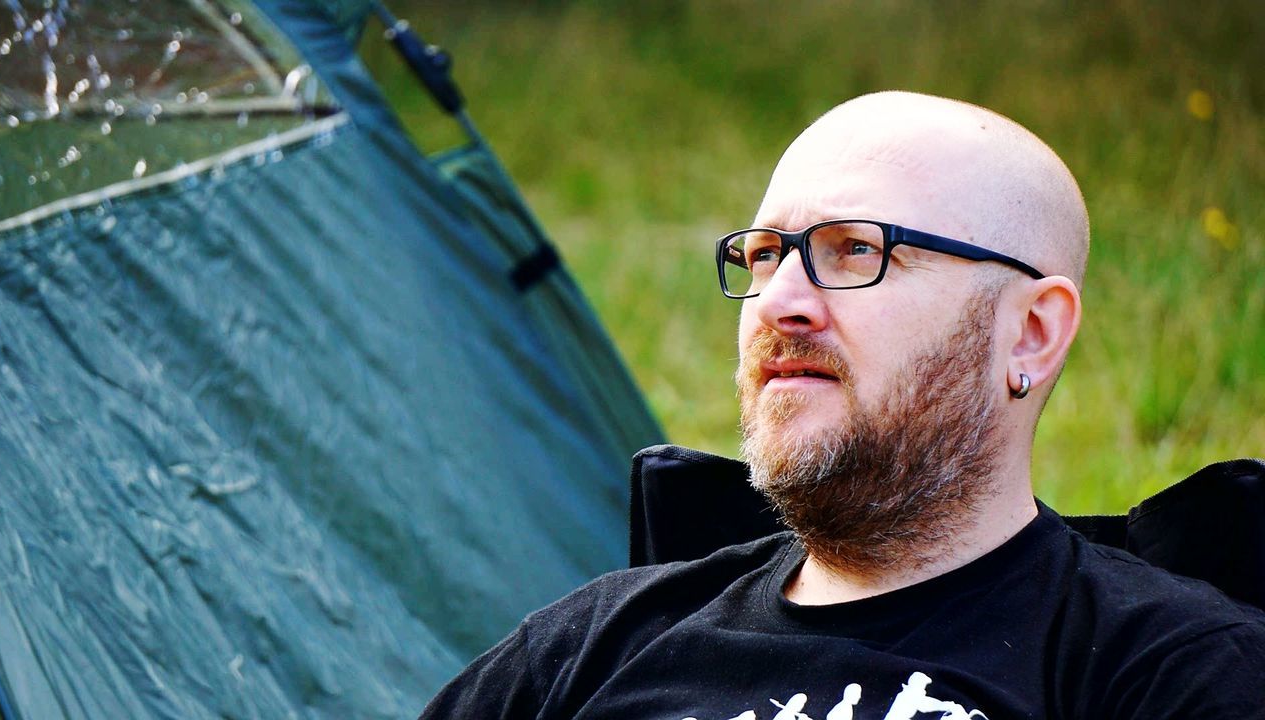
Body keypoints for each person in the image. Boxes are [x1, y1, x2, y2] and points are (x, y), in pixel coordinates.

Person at [421, 92, 1265, 719]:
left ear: (1032, 335)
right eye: (762, 256)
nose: (782, 300)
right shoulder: (592, 646)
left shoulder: (1170, 672)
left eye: (856, 250)